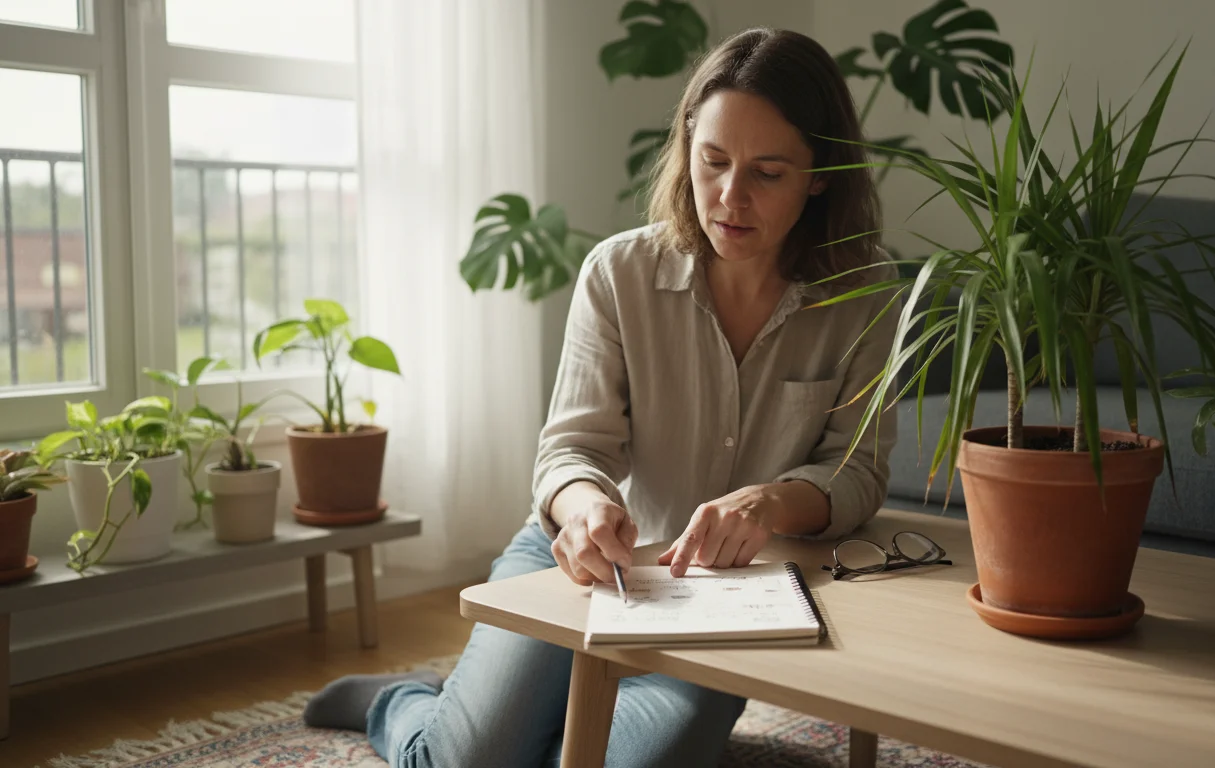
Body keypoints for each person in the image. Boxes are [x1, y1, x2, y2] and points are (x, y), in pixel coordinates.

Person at [302, 26, 901, 768]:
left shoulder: (867, 292)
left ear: (819, 175)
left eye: (767, 173)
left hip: (730, 596)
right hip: (585, 562)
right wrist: (586, 509)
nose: (730, 196)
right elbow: (571, 449)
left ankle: (496, 708)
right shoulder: (619, 272)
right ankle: (405, 703)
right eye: (712, 162)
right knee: (453, 763)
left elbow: (859, 469)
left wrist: (770, 503)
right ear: (688, 148)